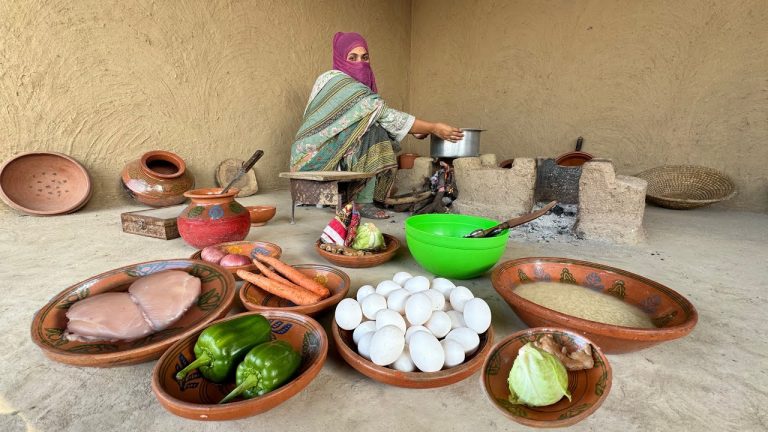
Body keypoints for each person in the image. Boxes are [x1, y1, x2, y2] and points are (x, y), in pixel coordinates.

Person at [290, 31, 464, 219]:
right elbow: (383, 114)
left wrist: (413, 130)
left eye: (364, 58)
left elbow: (375, 115)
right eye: (352, 58)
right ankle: (362, 201)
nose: (360, 63)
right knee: (373, 132)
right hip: (312, 159)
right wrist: (433, 127)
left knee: (374, 127)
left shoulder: (336, 83)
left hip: (327, 152)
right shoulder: (338, 82)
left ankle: (362, 195)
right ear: (340, 59)